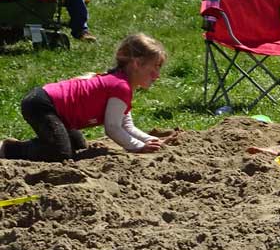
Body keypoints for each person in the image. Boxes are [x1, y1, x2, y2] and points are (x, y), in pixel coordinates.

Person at [1, 33, 166, 161]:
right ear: (137, 64)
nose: (157, 75)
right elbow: (113, 128)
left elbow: (126, 126)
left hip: (54, 108)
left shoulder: (122, 84)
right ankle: (8, 149)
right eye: (155, 67)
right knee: (61, 152)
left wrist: (149, 140)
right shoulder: (120, 86)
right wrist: (137, 147)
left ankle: (43, 142)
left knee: (77, 145)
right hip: (43, 104)